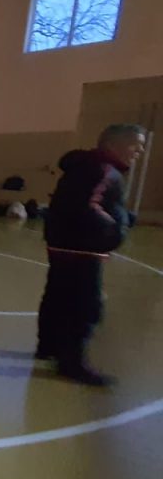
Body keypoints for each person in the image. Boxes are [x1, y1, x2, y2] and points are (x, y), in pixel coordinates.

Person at [36, 124, 146, 386]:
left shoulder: (85, 166)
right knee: (85, 305)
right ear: (113, 144)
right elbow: (87, 205)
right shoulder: (102, 169)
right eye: (135, 144)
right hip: (82, 247)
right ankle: (72, 363)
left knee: (57, 296)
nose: (139, 151)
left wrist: (122, 215)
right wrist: (117, 226)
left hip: (64, 244)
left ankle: (49, 346)